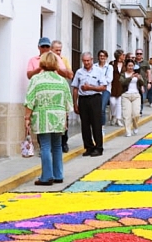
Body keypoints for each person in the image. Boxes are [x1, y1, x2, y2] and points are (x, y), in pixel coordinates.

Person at [24, 51, 73, 186]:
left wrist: (27, 118)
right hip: (58, 117)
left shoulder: (36, 80)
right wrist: (65, 118)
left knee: (45, 146)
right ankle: (58, 175)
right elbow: (68, 102)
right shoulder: (62, 81)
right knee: (57, 145)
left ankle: (46, 176)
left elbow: (30, 100)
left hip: (42, 117)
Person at [72, 52, 107, 156]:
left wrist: (90, 87)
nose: (86, 63)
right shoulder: (79, 72)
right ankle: (88, 147)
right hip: (83, 99)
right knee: (85, 125)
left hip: (95, 98)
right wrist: (75, 103)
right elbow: (75, 88)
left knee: (96, 123)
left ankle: (99, 147)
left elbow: (103, 87)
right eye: (84, 61)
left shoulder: (99, 71)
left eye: (88, 60)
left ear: (92, 60)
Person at [119, 58, 146, 137]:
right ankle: (128, 131)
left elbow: (142, 83)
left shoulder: (137, 74)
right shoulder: (123, 75)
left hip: (136, 95)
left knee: (136, 114)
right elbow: (122, 83)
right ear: (126, 66)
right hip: (126, 95)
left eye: (132, 66)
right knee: (126, 114)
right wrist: (130, 77)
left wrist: (139, 78)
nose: (130, 67)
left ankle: (135, 126)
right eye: (129, 66)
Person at [94, 49, 113, 126]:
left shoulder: (109, 67)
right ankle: (96, 124)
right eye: (100, 56)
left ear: (106, 57)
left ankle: (102, 126)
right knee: (95, 108)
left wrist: (99, 81)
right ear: (98, 57)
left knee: (102, 108)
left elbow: (109, 79)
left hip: (106, 90)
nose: (102, 57)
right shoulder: (94, 66)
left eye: (104, 56)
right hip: (95, 89)